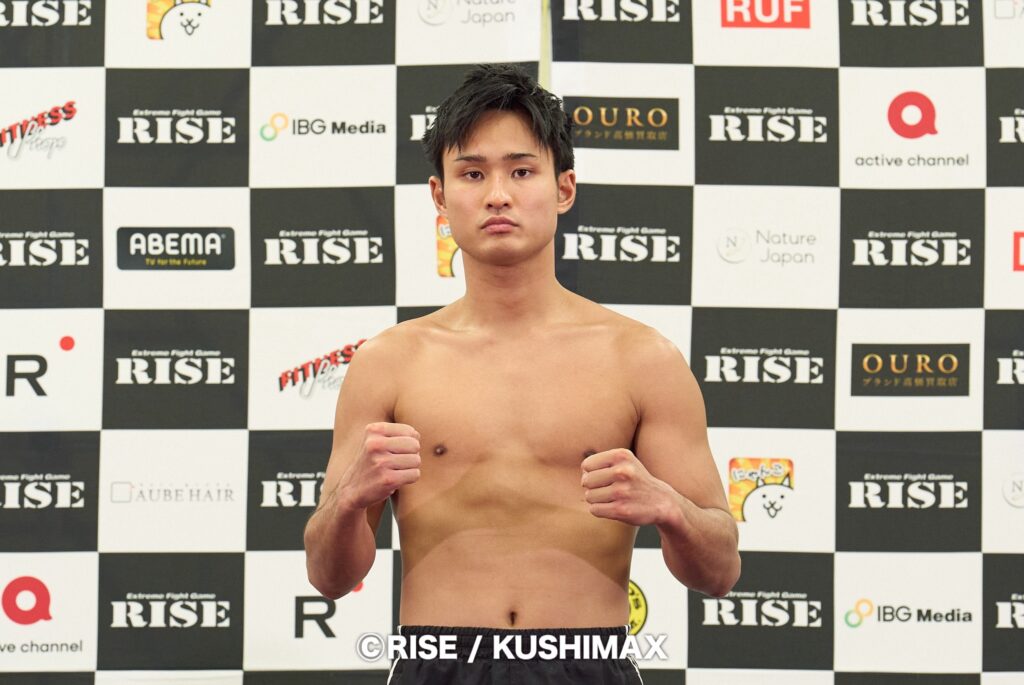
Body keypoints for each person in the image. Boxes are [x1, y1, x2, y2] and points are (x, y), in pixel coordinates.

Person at [303, 64, 740, 684]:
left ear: (564, 189)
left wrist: (669, 507)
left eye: (521, 171)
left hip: (588, 665)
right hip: (438, 666)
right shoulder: (389, 361)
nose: (498, 195)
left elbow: (719, 573)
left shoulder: (642, 359)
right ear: (439, 196)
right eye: (473, 173)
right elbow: (328, 577)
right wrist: (349, 499)